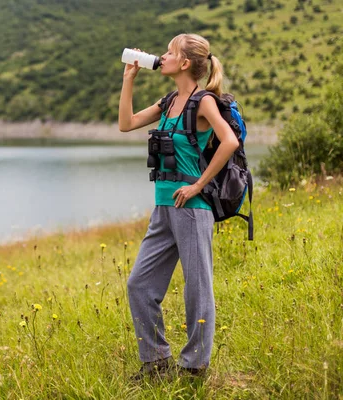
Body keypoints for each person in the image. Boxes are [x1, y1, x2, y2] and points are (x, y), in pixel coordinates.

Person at [118, 33, 239, 379]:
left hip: (192, 208)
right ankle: (156, 362)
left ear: (184, 63)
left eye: (169, 53)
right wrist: (129, 80)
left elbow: (228, 141)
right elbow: (126, 124)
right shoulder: (169, 100)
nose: (162, 57)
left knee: (197, 288)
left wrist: (198, 184)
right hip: (163, 208)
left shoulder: (203, 102)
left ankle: (194, 367)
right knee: (139, 285)